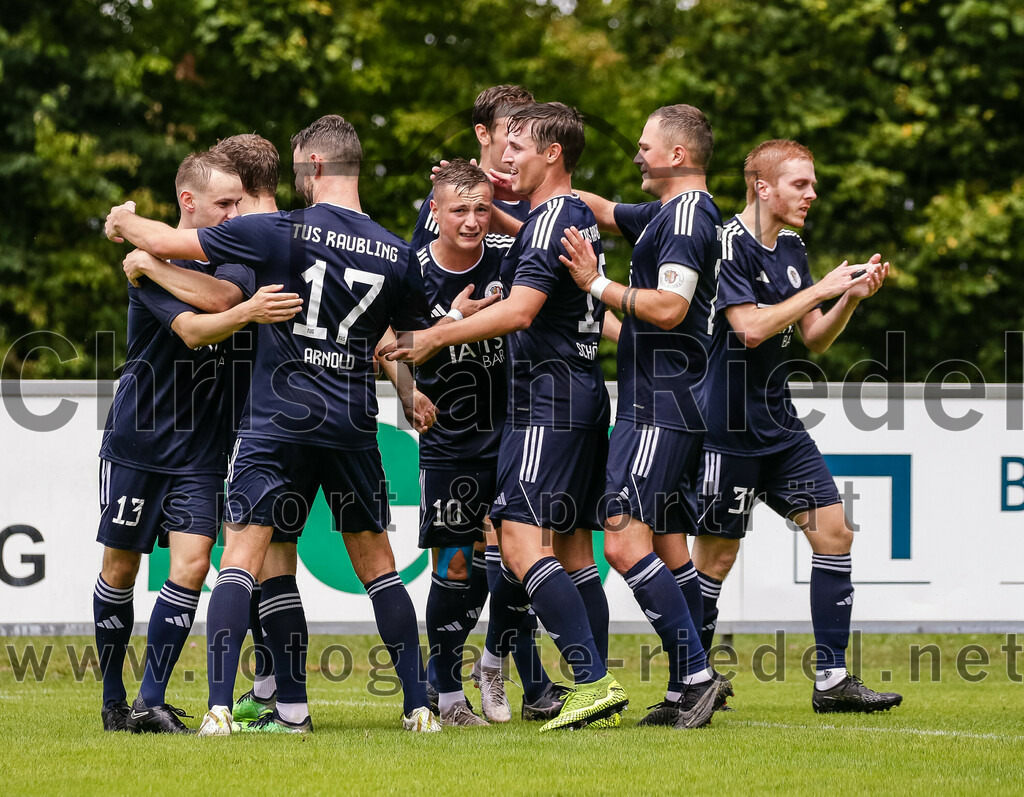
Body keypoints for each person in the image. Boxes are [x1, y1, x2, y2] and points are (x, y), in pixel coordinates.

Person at [106, 114, 442, 735]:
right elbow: (402, 339)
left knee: (241, 560)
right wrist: (408, 389)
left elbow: (174, 246)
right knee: (380, 568)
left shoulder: (283, 232)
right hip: (350, 424)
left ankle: (218, 710)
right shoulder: (399, 253)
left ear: (314, 168)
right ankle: (419, 707)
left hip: (277, 423)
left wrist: (124, 222)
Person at [384, 102, 627, 732]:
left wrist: (440, 335)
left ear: (551, 154)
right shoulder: (550, 219)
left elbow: (520, 311)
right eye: (502, 143)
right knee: (569, 550)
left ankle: (588, 681)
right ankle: (574, 684)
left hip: (544, 403)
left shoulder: (548, 219)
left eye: (518, 145)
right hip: (561, 400)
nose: (505, 157)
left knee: (516, 540)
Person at [691, 138, 902, 714]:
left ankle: (832, 680)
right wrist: (823, 287)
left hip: (779, 423)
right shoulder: (726, 244)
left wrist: (849, 298)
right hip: (726, 427)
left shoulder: (791, 246)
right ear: (763, 187)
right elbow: (750, 330)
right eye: (800, 184)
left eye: (812, 184)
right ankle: (688, 681)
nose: (812, 193)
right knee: (715, 558)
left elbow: (812, 337)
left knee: (834, 533)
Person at [94, 150, 301, 733]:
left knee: (191, 565)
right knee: (120, 569)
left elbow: (224, 298)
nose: (236, 214)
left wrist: (147, 262)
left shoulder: (212, 258)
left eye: (240, 202)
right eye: (225, 205)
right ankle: (113, 700)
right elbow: (193, 327)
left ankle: (150, 702)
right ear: (190, 202)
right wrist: (153, 264)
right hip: (140, 439)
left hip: (205, 449)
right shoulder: (159, 262)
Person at [558, 104, 727, 730]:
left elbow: (670, 308)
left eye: (645, 146)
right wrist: (515, 186)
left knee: (624, 540)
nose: (636, 154)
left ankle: (696, 675)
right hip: (666, 401)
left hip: (662, 402)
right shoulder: (668, 213)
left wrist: (595, 283)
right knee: (660, 544)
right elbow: (601, 209)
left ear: (677, 155)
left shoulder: (684, 219)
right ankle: (691, 683)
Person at [413, 159, 569, 726]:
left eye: (482, 208)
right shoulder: (412, 269)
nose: (474, 220)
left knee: (517, 562)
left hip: (514, 436)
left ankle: (495, 664)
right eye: (460, 209)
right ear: (435, 212)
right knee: (455, 567)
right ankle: (446, 694)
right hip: (451, 443)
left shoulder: (511, 261)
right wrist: (411, 391)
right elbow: (385, 345)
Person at [411, 85, 535, 251]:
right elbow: (418, 269)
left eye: (530, 134)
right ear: (483, 134)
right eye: (513, 133)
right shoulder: (449, 194)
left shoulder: (545, 202)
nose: (523, 142)